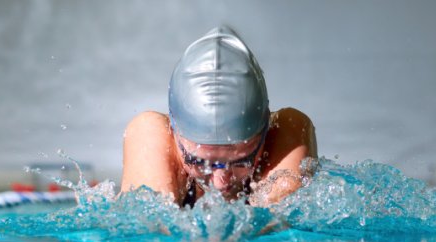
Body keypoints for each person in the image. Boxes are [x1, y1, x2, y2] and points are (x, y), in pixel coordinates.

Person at [121, 26, 317, 207]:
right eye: (199, 162)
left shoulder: (287, 131)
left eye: (242, 161)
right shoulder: (151, 134)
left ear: (266, 130)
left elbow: (279, 232)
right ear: (174, 132)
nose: (220, 182)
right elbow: (151, 233)